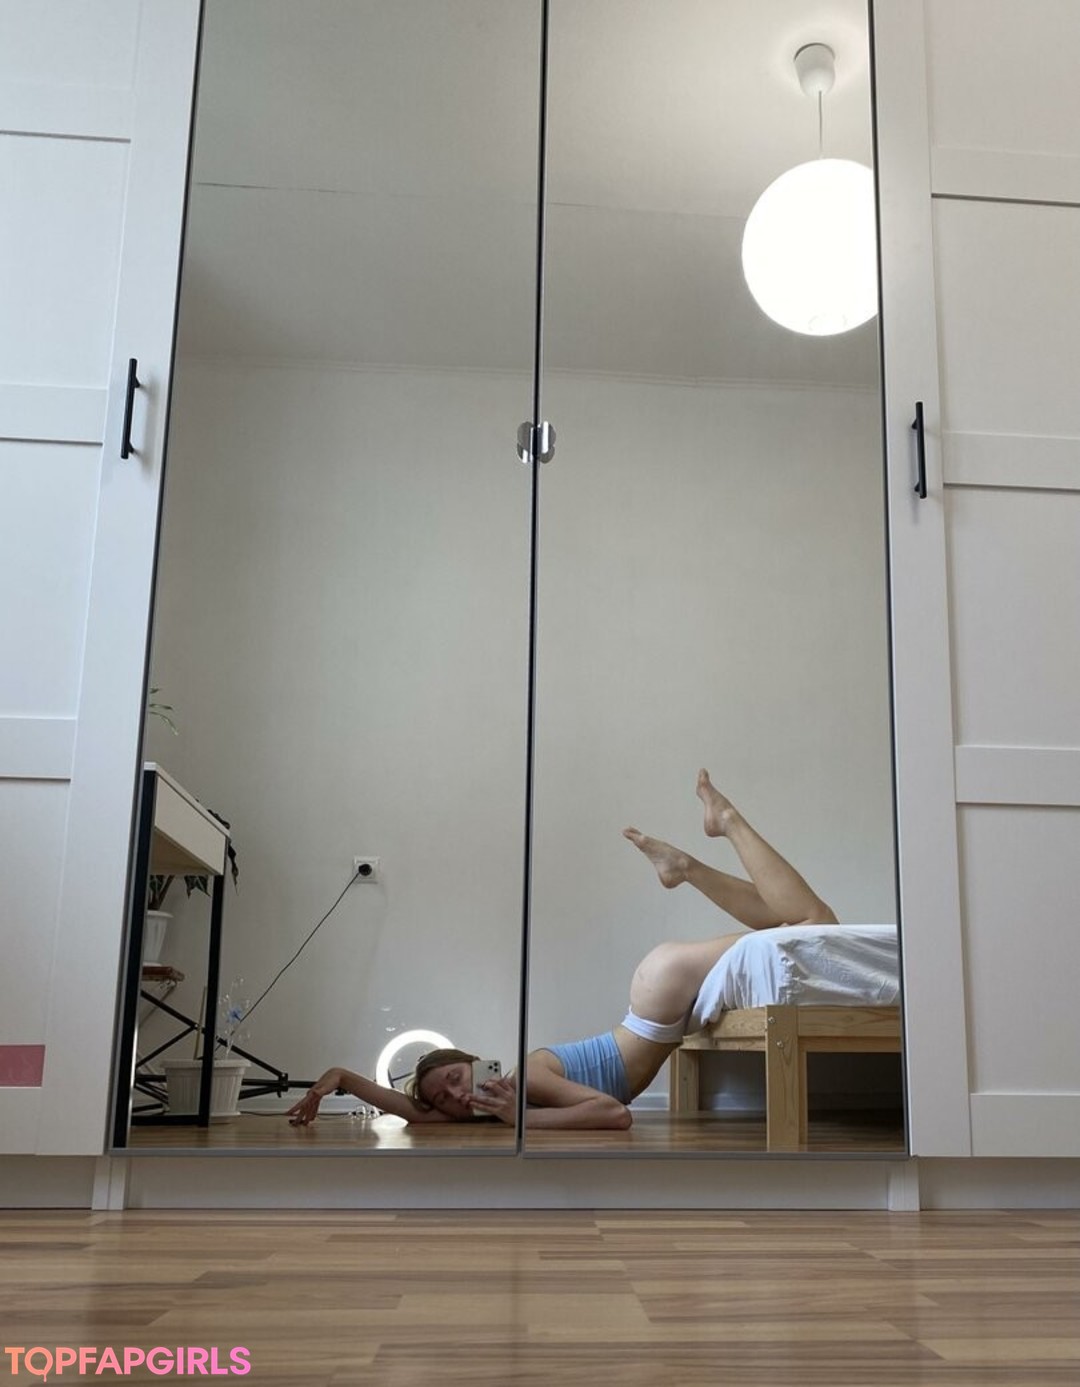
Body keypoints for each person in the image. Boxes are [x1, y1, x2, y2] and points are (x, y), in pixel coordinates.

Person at [286, 770, 837, 1132]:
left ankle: (727, 823)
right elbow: (411, 1112)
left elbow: (615, 1115)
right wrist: (337, 1079)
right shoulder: (486, 1112)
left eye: (455, 1077)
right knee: (798, 924)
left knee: (813, 926)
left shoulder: (525, 1080)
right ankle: (684, 866)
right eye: (446, 1098)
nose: (457, 1095)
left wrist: (519, 1121)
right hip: (662, 1003)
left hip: (659, 993)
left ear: (473, 1060)